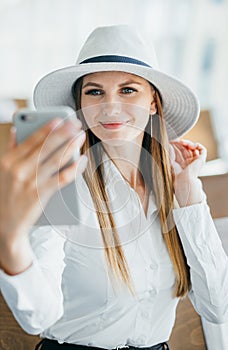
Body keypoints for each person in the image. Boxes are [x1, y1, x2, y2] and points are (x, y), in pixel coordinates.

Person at [0, 25, 227, 350]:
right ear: (79, 104)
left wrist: (191, 196)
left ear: (153, 102)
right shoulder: (62, 186)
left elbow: (217, 307)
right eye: (94, 92)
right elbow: (38, 317)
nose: (109, 107)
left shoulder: (174, 189)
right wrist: (9, 240)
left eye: (128, 90)